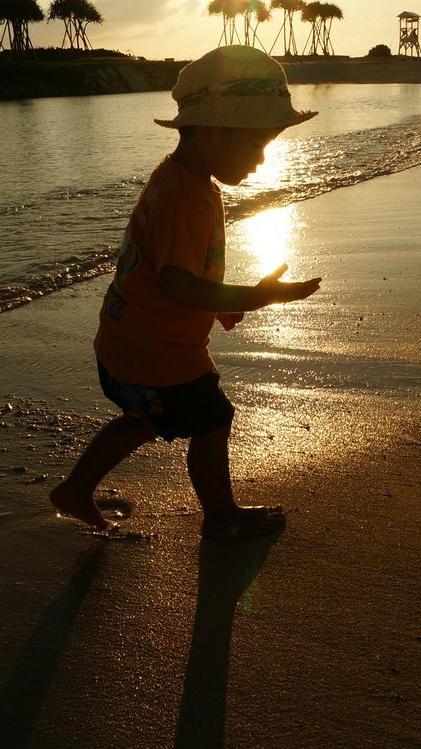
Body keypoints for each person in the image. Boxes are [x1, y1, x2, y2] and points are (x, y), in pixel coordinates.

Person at [50, 45, 322, 539]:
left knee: (143, 420)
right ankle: (221, 516)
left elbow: (170, 272)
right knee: (212, 419)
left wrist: (215, 303)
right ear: (215, 131)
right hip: (159, 353)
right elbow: (179, 285)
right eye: (258, 143)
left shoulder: (177, 178)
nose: (263, 160)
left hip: (124, 340)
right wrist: (253, 296)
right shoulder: (186, 199)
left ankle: (75, 489)